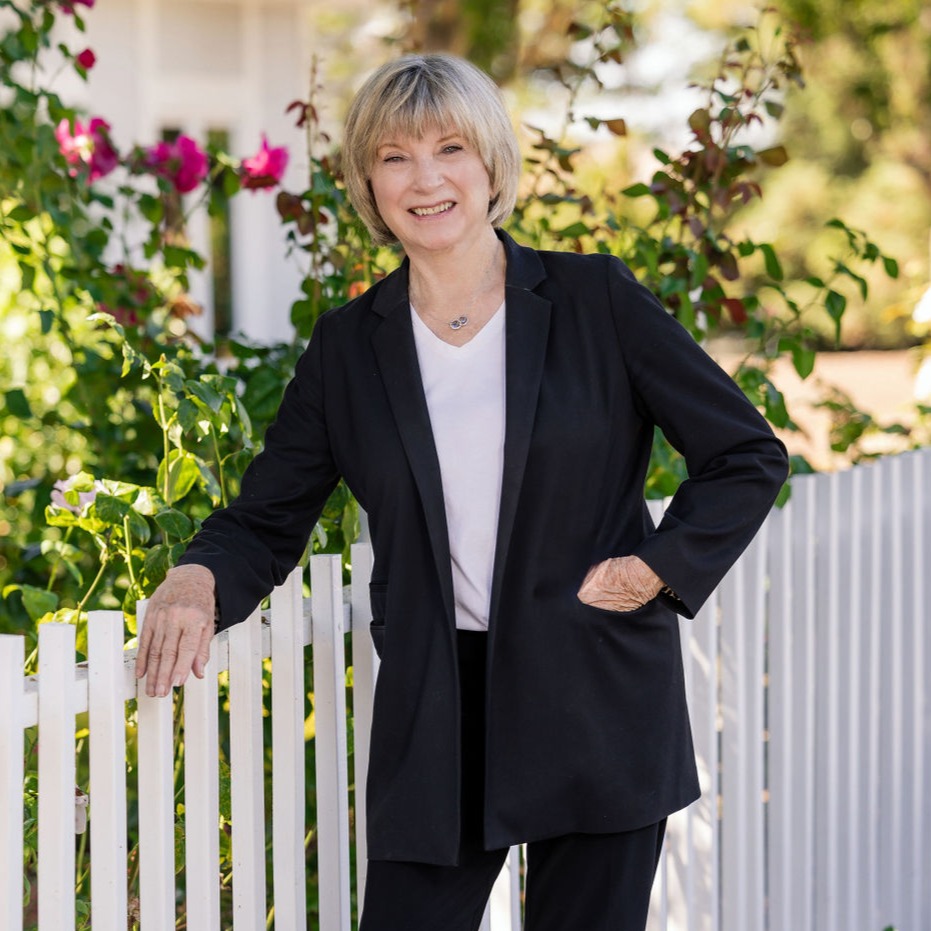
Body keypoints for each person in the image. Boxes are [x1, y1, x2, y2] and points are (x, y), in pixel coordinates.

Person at [135, 53, 789, 931]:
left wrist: (653, 570)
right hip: (437, 708)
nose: (426, 177)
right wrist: (195, 579)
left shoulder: (594, 300)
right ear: (370, 181)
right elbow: (266, 516)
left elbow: (745, 454)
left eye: (450, 148)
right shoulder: (347, 349)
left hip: (593, 686)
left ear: (490, 167)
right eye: (396, 156)